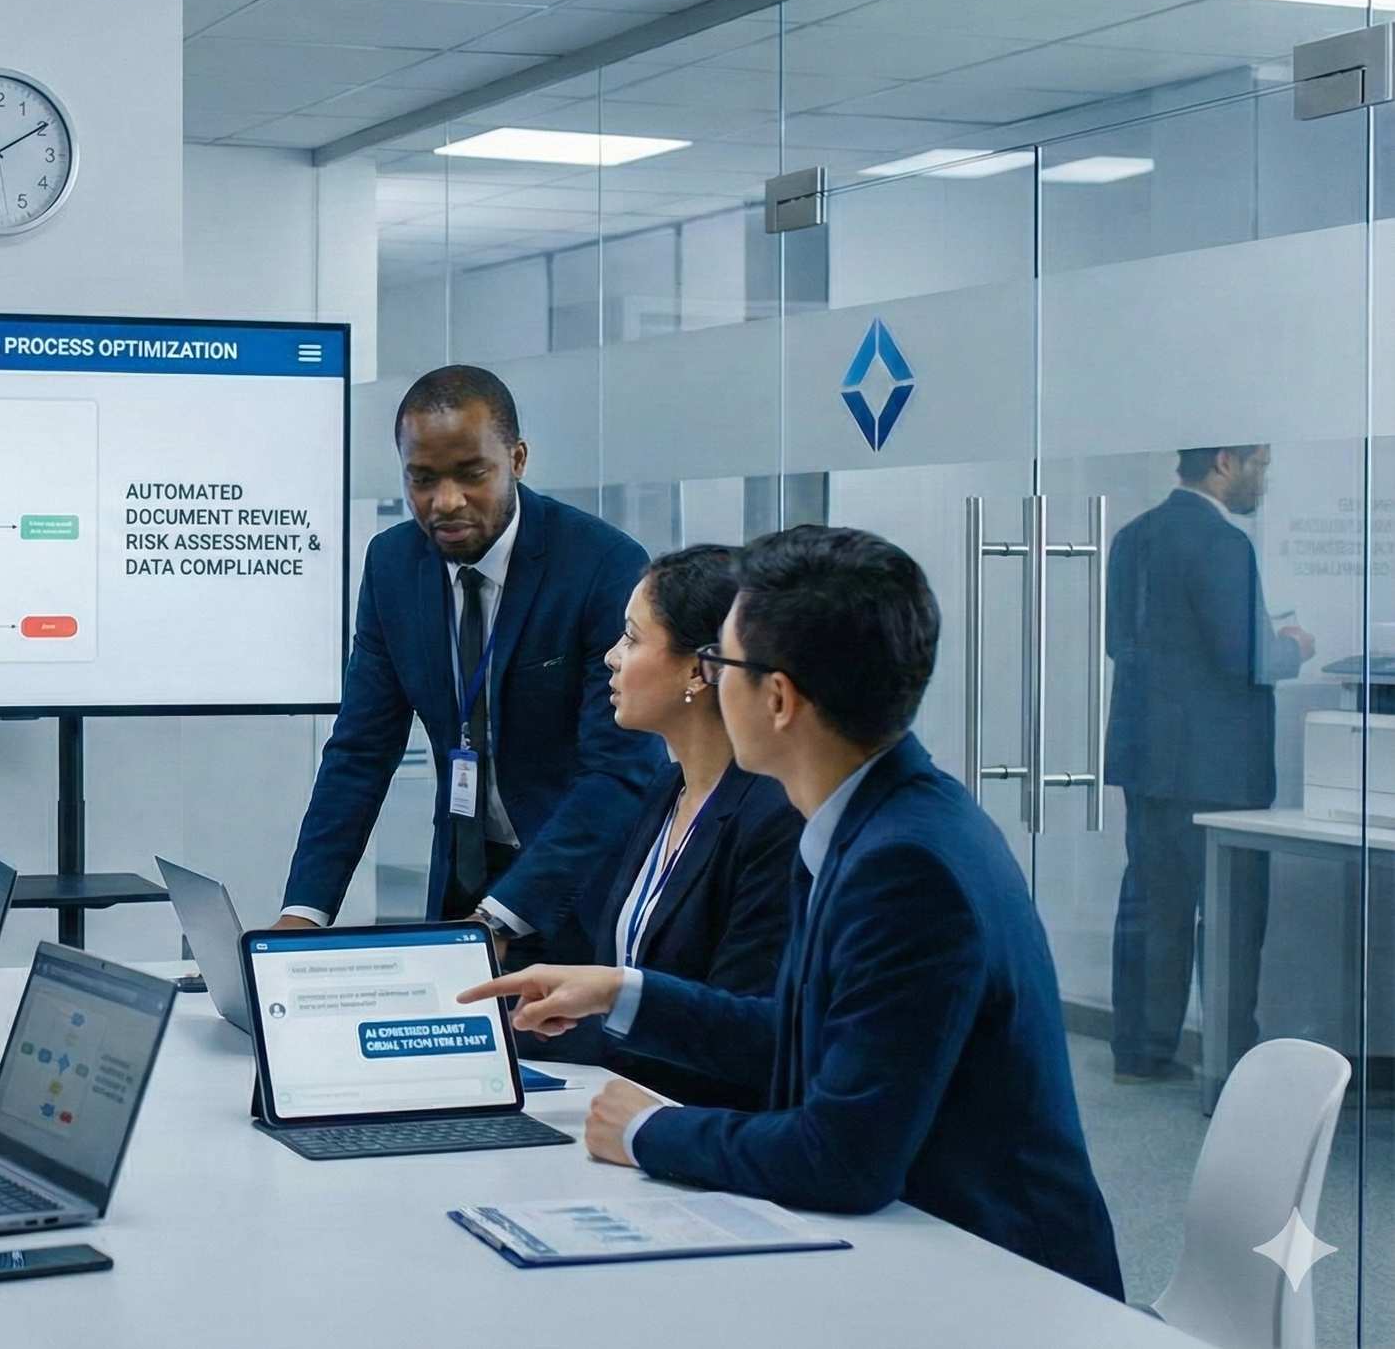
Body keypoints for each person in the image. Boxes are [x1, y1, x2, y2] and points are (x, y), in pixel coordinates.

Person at [459, 525, 1124, 1299]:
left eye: (725, 663)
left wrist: (646, 1131)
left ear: (777, 699)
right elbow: (804, 1036)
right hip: (907, 1245)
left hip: (999, 1279)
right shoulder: (874, 817)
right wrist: (621, 992)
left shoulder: (904, 867)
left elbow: (845, 1157)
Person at [276, 365, 661, 964]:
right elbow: (360, 750)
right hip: (461, 883)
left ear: (518, 459)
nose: (445, 502)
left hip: (576, 893)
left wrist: (498, 920)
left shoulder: (599, 564)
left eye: (471, 474)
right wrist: (304, 911)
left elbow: (619, 774)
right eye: (422, 479)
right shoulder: (392, 565)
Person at [552, 543, 799, 1108]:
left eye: (632, 639)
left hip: (709, 1131)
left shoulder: (775, 816)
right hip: (628, 1104)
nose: (613, 658)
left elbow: (740, 1037)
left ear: (701, 667)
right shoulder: (668, 788)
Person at [1105, 445, 1312, 1083]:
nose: (1265, 478)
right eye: (1261, 463)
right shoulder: (1222, 543)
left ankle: (1140, 1055)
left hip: (1150, 758)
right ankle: (1229, 1062)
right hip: (1220, 769)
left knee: (1153, 908)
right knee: (1232, 917)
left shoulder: (1131, 537)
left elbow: (1122, 643)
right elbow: (1243, 658)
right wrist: (1292, 646)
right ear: (1226, 462)